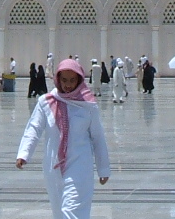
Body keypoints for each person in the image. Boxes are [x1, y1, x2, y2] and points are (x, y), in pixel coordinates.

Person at [16, 58, 111, 219]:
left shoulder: (88, 105)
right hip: (53, 167)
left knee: (72, 211)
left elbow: (97, 138)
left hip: (80, 165)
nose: (68, 84)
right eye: (64, 80)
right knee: (59, 212)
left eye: (72, 80)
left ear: (79, 80)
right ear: (57, 79)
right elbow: (34, 128)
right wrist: (24, 154)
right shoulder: (46, 102)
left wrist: (103, 169)